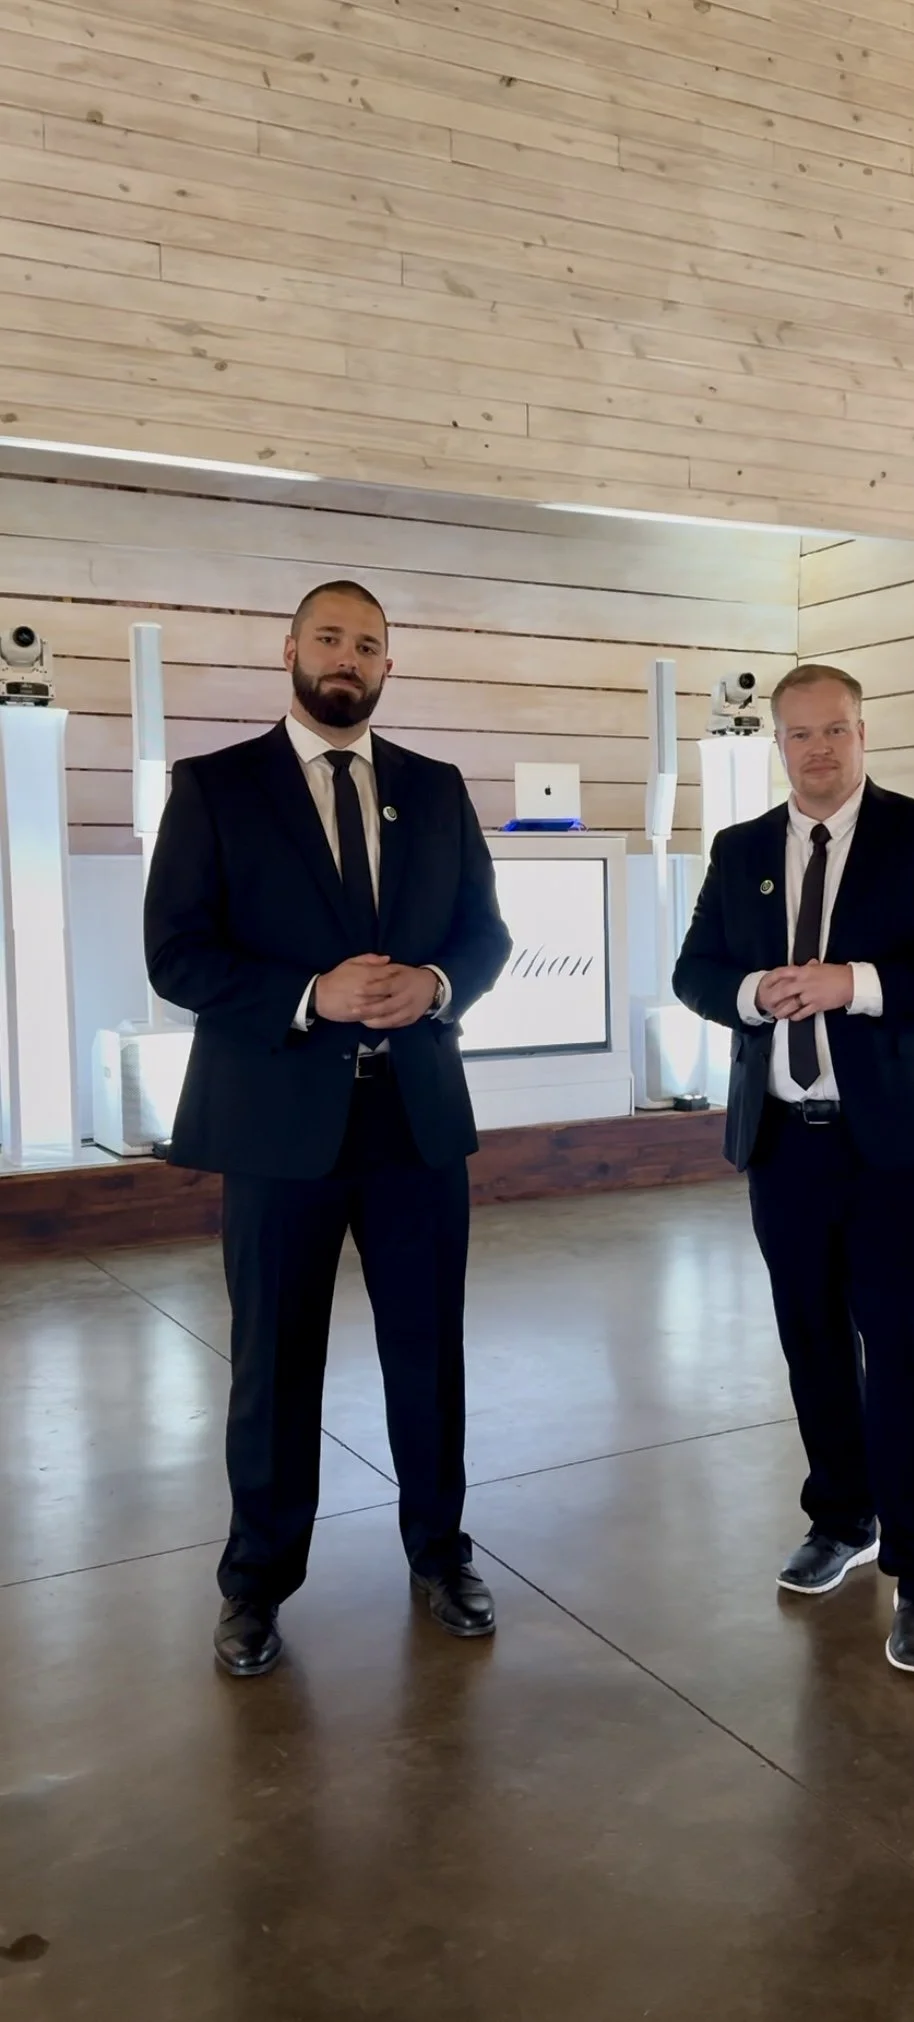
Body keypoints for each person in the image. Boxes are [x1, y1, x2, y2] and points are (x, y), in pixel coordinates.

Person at [145, 580, 511, 1677]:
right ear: (291, 650)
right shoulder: (214, 790)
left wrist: (439, 984)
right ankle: (255, 1585)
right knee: (273, 1365)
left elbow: (485, 936)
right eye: (329, 638)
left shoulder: (436, 791)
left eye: (368, 644)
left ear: (388, 667)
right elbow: (179, 957)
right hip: (277, 1129)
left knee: (427, 1357)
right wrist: (314, 992)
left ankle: (441, 1554)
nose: (346, 657)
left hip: (414, 1122)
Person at [673, 665, 914, 1675]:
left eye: (836, 733)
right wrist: (748, 992)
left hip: (897, 1143)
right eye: (800, 736)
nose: (819, 752)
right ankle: (842, 1518)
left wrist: (850, 984)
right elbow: (693, 972)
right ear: (778, 744)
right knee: (812, 1340)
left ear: (864, 733)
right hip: (785, 1137)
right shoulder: (739, 851)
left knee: (900, 1349)